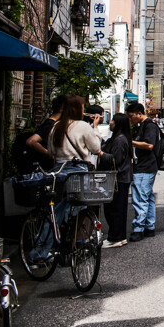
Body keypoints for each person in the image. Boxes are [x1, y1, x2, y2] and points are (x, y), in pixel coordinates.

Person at [30, 96, 100, 261]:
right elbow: (96, 148)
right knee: (80, 208)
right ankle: (75, 244)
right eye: (83, 107)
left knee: (56, 211)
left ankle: (41, 252)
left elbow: (51, 152)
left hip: (59, 171)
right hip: (77, 171)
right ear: (77, 109)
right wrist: (95, 129)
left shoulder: (56, 127)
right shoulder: (82, 126)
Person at [128, 102, 160, 242]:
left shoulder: (149, 126)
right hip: (148, 166)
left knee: (140, 197)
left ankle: (139, 228)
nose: (130, 119)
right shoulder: (145, 125)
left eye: (131, 116)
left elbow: (149, 145)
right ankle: (149, 226)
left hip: (145, 167)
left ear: (139, 114)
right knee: (147, 197)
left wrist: (131, 142)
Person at [100, 113, 133, 248]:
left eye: (113, 120)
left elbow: (116, 160)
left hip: (118, 178)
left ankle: (116, 237)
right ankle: (119, 237)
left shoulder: (119, 140)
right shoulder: (121, 138)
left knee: (113, 209)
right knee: (118, 209)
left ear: (118, 123)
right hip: (121, 178)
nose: (110, 122)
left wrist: (101, 154)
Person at [26, 94, 65, 170]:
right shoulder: (50, 125)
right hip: (45, 167)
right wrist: (48, 153)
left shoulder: (54, 124)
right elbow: (31, 141)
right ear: (62, 109)